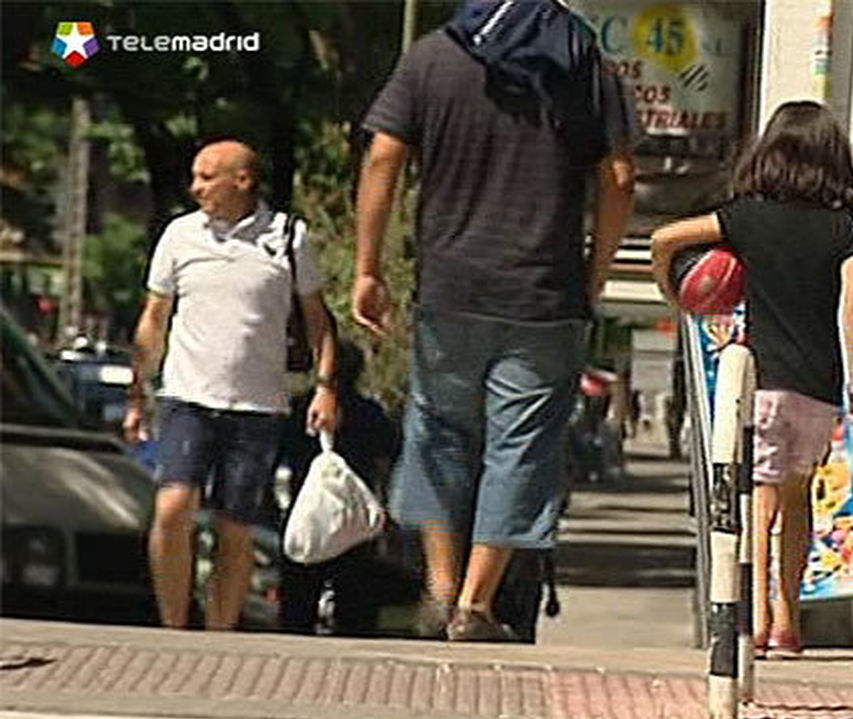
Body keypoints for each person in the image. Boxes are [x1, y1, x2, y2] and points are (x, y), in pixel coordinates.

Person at [351, 0, 637, 641]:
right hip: (544, 293)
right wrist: (595, 272)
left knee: (438, 430)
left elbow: (383, 158)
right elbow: (619, 177)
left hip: (450, 286)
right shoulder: (581, 60)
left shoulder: (431, 57)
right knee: (523, 446)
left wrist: (368, 268)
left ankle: (439, 585)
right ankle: (475, 604)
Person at [650, 101, 853, 659]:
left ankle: (754, 616)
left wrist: (674, 294)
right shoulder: (842, 227)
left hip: (762, 380)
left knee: (760, 501)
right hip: (819, 385)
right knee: (798, 501)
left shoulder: (745, 217)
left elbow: (664, 239)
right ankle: (789, 621)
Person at [124, 139, 339, 630]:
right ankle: (173, 627)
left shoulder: (288, 237)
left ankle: (220, 633)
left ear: (241, 181)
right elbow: (154, 318)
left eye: (206, 177)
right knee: (173, 508)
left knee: (235, 527)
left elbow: (318, 320)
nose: (195, 187)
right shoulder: (180, 235)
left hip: (257, 406)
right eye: (194, 177)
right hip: (187, 397)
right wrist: (138, 389)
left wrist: (326, 386)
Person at [277, 340, 401, 635]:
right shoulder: (370, 413)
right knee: (356, 600)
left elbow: (277, 457)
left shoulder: (298, 410)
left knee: (299, 597)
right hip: (354, 517)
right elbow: (391, 455)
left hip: (306, 514)